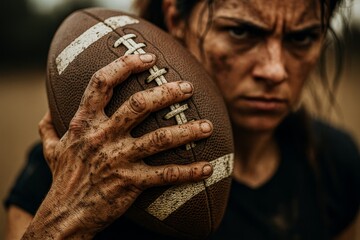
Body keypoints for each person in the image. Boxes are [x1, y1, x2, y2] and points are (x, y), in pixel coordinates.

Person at [4, 0, 360, 239]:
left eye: (303, 38)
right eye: (241, 32)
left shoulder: (334, 162)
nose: (274, 70)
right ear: (177, 20)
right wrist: (65, 217)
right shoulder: (81, 171)